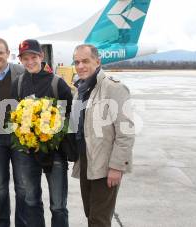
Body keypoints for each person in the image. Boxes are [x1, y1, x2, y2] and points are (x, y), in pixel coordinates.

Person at [71, 44, 134, 227]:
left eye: (85, 61)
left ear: (97, 62)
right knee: (90, 213)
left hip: (105, 165)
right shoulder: (80, 90)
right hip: (86, 162)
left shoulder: (113, 88)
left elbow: (126, 133)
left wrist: (117, 167)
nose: (80, 66)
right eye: (77, 62)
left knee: (99, 220)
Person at [11, 39, 73, 227]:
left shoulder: (58, 83)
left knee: (58, 206)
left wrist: (50, 132)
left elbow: (70, 119)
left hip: (55, 153)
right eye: (25, 58)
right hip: (28, 154)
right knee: (31, 201)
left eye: (33, 57)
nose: (29, 62)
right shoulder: (18, 83)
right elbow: (12, 118)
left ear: (41, 56)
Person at [0, 38, 26, 227]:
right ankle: (3, 222)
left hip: (19, 138)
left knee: (22, 186)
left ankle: (21, 223)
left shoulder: (21, 72)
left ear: (7, 53)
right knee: (1, 185)